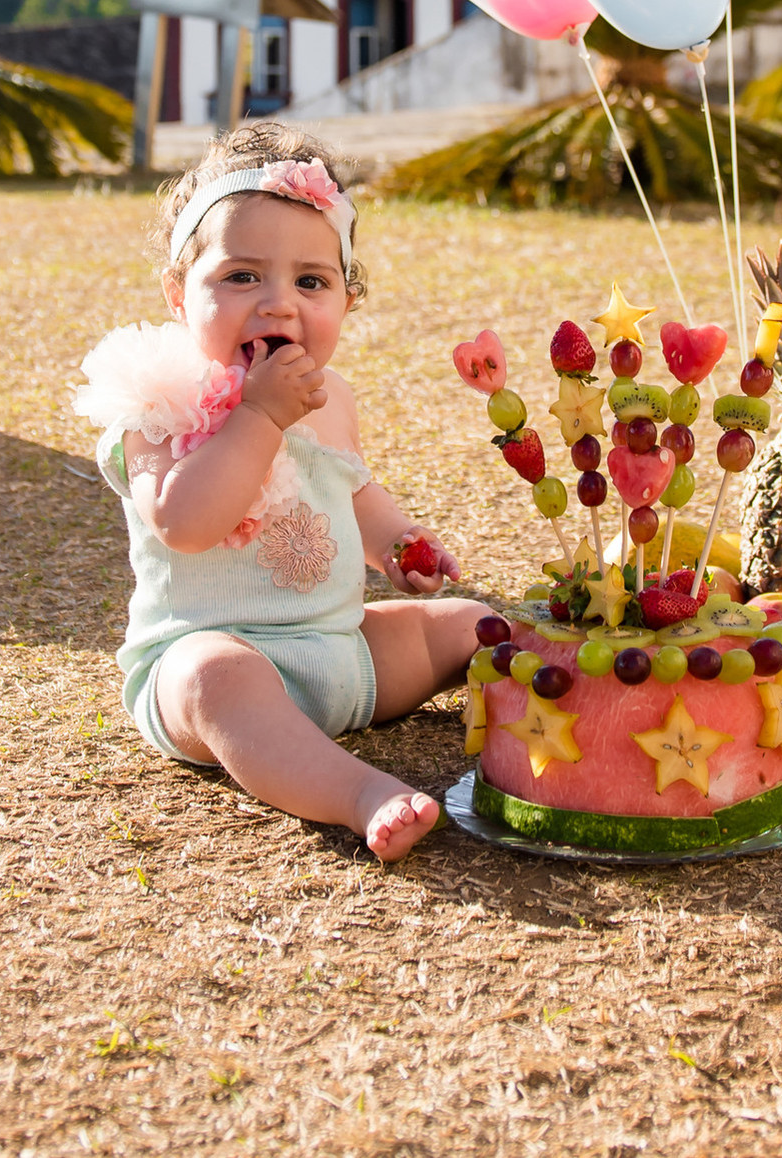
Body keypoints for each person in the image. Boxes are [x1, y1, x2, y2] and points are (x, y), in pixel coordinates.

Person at [76, 124, 486, 861]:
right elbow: (184, 523)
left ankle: (561, 711)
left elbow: (354, 491)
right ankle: (359, 793)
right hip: (213, 671)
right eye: (241, 277)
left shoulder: (332, 399)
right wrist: (259, 417)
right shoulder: (157, 401)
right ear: (178, 294)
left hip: (341, 653)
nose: (278, 305)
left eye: (311, 282)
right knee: (215, 675)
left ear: (347, 301)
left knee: (470, 626)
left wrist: (400, 545)